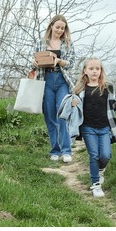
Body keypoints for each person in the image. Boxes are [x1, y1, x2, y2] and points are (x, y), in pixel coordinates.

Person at [72, 57, 116, 198]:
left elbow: (114, 106)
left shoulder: (107, 87)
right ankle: (95, 185)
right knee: (94, 155)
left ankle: (100, 169)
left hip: (104, 127)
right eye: (91, 69)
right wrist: (72, 104)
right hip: (87, 127)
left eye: (97, 69)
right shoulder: (80, 89)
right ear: (85, 71)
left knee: (105, 155)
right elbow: (74, 108)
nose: (94, 71)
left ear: (101, 71)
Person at [31, 14, 75, 163]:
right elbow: (33, 62)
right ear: (51, 26)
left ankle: (66, 150)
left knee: (62, 114)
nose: (60, 30)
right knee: (50, 116)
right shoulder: (41, 43)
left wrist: (59, 61)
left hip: (62, 80)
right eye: (57, 27)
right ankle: (54, 150)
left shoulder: (67, 44)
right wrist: (34, 62)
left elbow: (72, 63)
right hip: (46, 80)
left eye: (62, 28)